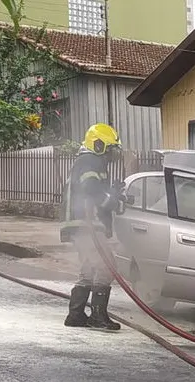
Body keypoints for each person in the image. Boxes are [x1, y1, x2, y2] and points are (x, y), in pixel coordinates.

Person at [60, 123, 125, 332]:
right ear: (98, 145)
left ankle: (76, 314)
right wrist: (112, 200)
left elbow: (93, 190)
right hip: (86, 224)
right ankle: (98, 317)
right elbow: (91, 189)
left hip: (81, 224)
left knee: (89, 267)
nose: (111, 155)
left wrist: (113, 193)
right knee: (107, 266)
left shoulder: (87, 162)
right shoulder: (91, 161)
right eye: (110, 149)